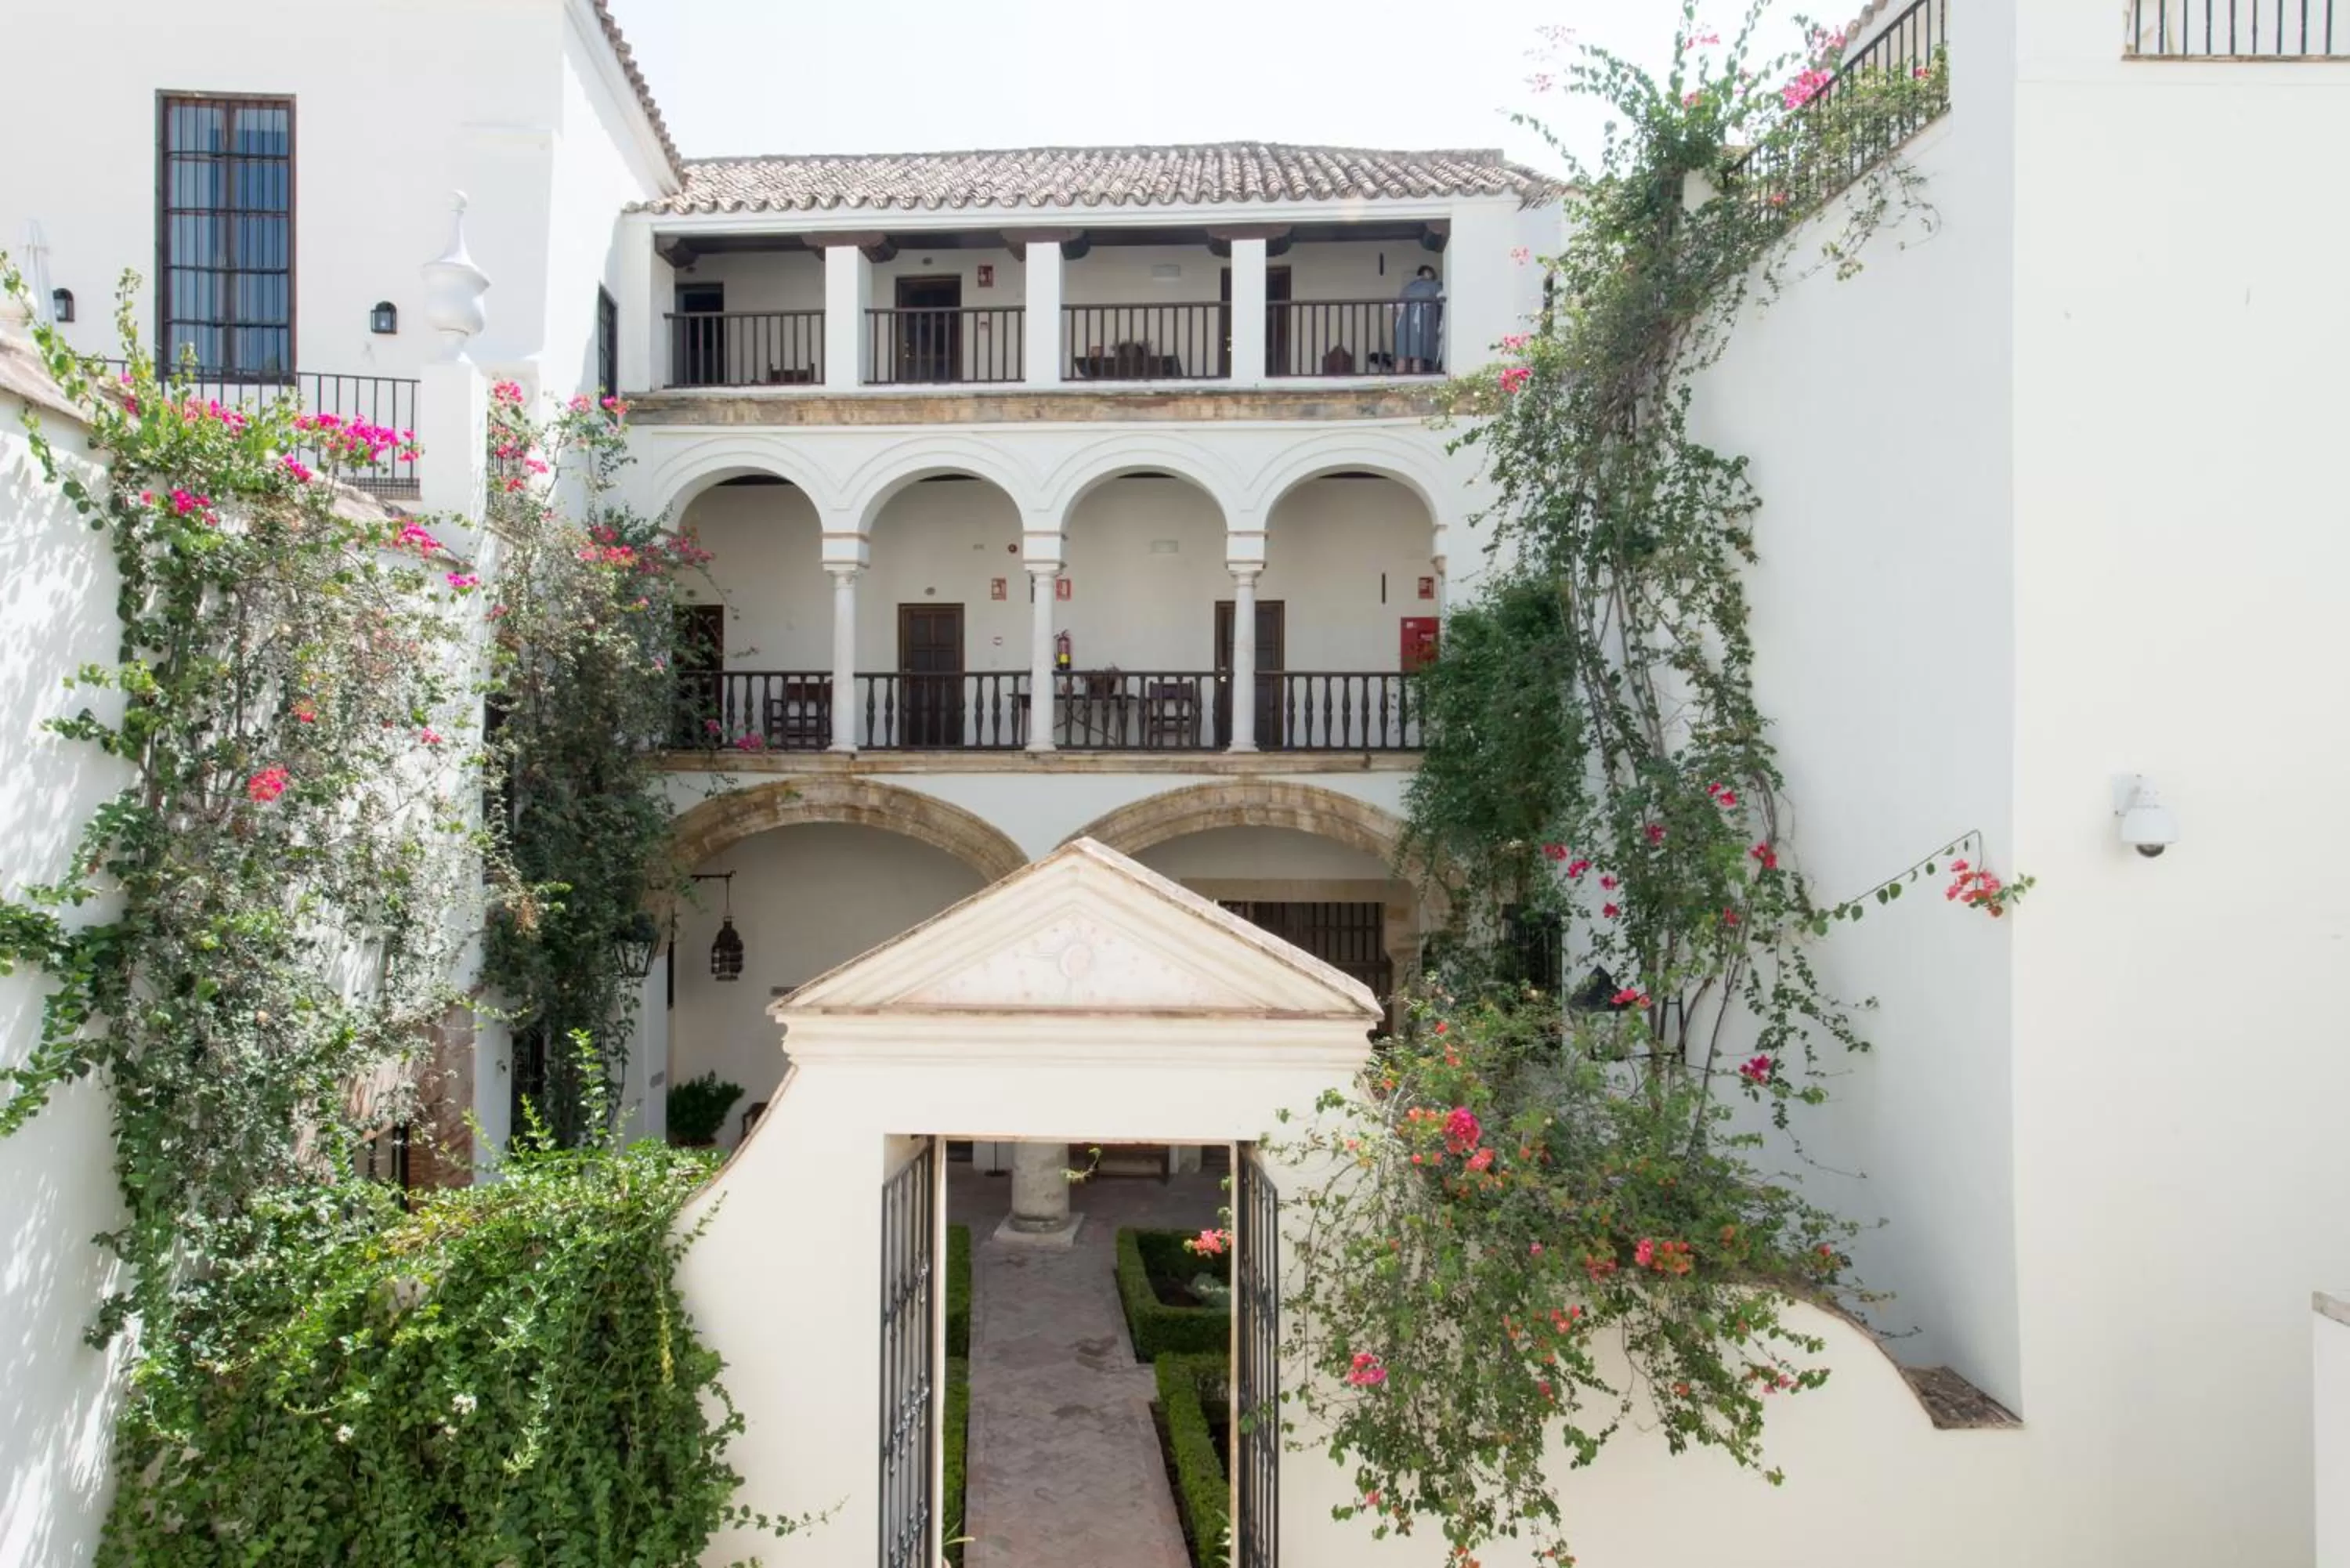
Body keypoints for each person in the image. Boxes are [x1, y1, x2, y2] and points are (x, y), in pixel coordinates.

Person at [1395, 264, 1444, 374]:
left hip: (1404, 324)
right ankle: (1416, 384)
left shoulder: (1408, 287)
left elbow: (1398, 308)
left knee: (1402, 357)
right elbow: (1443, 300)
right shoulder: (1434, 286)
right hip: (1421, 324)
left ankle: (1396, 384)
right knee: (1418, 357)